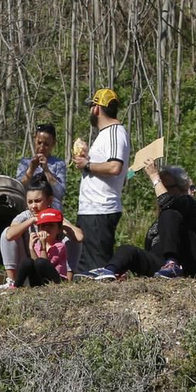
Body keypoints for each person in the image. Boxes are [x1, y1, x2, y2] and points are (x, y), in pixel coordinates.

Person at [105, 161, 196, 279]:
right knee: (127, 250)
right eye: (160, 185)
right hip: (162, 263)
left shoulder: (189, 203)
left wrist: (154, 177)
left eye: (166, 186)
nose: (160, 189)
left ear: (182, 188)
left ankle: (172, 264)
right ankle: (109, 271)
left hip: (193, 259)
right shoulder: (161, 220)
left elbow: (166, 201)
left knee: (169, 213)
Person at [72, 88, 131, 275]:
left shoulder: (115, 132)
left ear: (97, 108)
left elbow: (115, 167)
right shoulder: (106, 134)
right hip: (91, 210)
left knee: (97, 272)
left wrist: (87, 164)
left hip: (101, 208)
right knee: (86, 270)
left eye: (91, 106)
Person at [2, 184, 82, 288]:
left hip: (51, 270)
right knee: (7, 232)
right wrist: (32, 220)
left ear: (49, 200)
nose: (33, 206)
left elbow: (79, 237)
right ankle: (12, 281)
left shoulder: (55, 216)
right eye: (30, 202)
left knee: (72, 236)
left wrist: (60, 224)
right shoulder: (25, 216)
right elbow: (9, 235)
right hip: (31, 262)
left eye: (37, 201)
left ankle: (68, 279)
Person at [17, 208, 74, 287]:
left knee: (40, 262)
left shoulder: (59, 246)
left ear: (59, 229)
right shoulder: (38, 245)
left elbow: (44, 265)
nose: (46, 228)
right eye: (43, 226)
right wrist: (31, 248)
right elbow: (35, 264)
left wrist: (43, 247)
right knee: (27, 262)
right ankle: (16, 286)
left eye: (51, 225)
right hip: (40, 281)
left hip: (56, 281)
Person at [16, 123, 68, 208]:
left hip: (52, 211)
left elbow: (60, 193)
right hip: (30, 210)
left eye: (46, 144)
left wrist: (46, 170)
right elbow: (18, 189)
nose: (42, 147)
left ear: (53, 143)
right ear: (34, 140)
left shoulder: (59, 164)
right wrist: (31, 170)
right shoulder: (24, 163)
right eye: (39, 143)